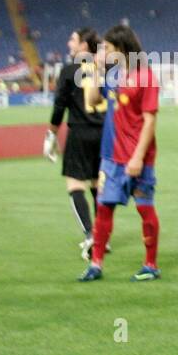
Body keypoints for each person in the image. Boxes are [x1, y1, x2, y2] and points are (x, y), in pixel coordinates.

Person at [78, 24, 161, 281]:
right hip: (111, 157)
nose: (103, 51)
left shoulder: (145, 76)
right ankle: (96, 265)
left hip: (138, 158)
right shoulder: (112, 76)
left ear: (122, 49)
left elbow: (149, 121)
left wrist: (137, 157)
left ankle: (151, 265)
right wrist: (97, 70)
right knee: (103, 209)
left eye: (108, 48)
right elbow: (91, 101)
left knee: (145, 210)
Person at [50, 28, 106, 259]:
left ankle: (90, 235)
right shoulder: (107, 69)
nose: (69, 42)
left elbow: (60, 106)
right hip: (103, 134)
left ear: (83, 46)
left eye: (73, 39)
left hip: (80, 133)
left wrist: (51, 134)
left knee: (75, 186)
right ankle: (103, 237)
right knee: (97, 186)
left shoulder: (69, 70)